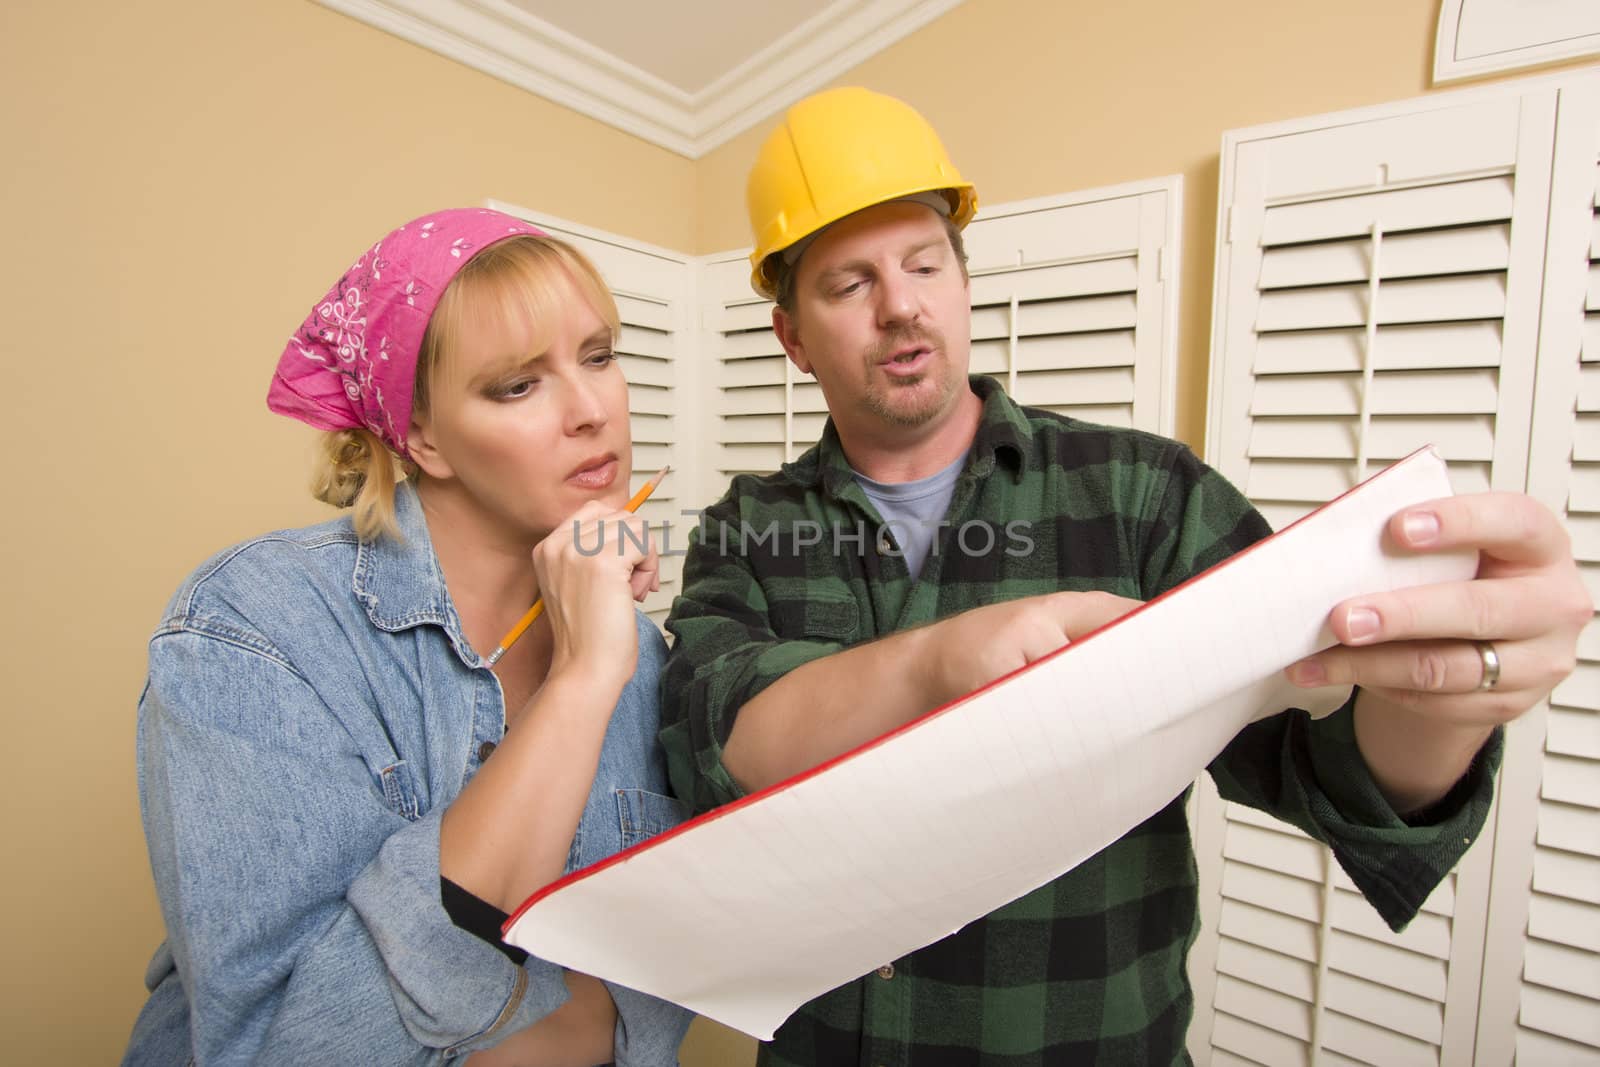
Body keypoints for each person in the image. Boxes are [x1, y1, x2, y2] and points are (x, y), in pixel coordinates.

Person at [660, 88, 1590, 1065]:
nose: (900, 304)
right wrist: (933, 669)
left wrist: (1441, 694)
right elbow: (705, 736)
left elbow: (1321, 750)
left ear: (962, 285)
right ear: (793, 337)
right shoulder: (745, 526)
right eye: (848, 285)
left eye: (924, 264)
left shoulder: (1146, 496)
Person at [124, 208, 692, 1066]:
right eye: (518, 384)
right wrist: (579, 683)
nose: (591, 411)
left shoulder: (642, 655)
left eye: (599, 355)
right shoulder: (252, 627)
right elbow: (288, 1043)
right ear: (420, 434)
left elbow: (656, 993)